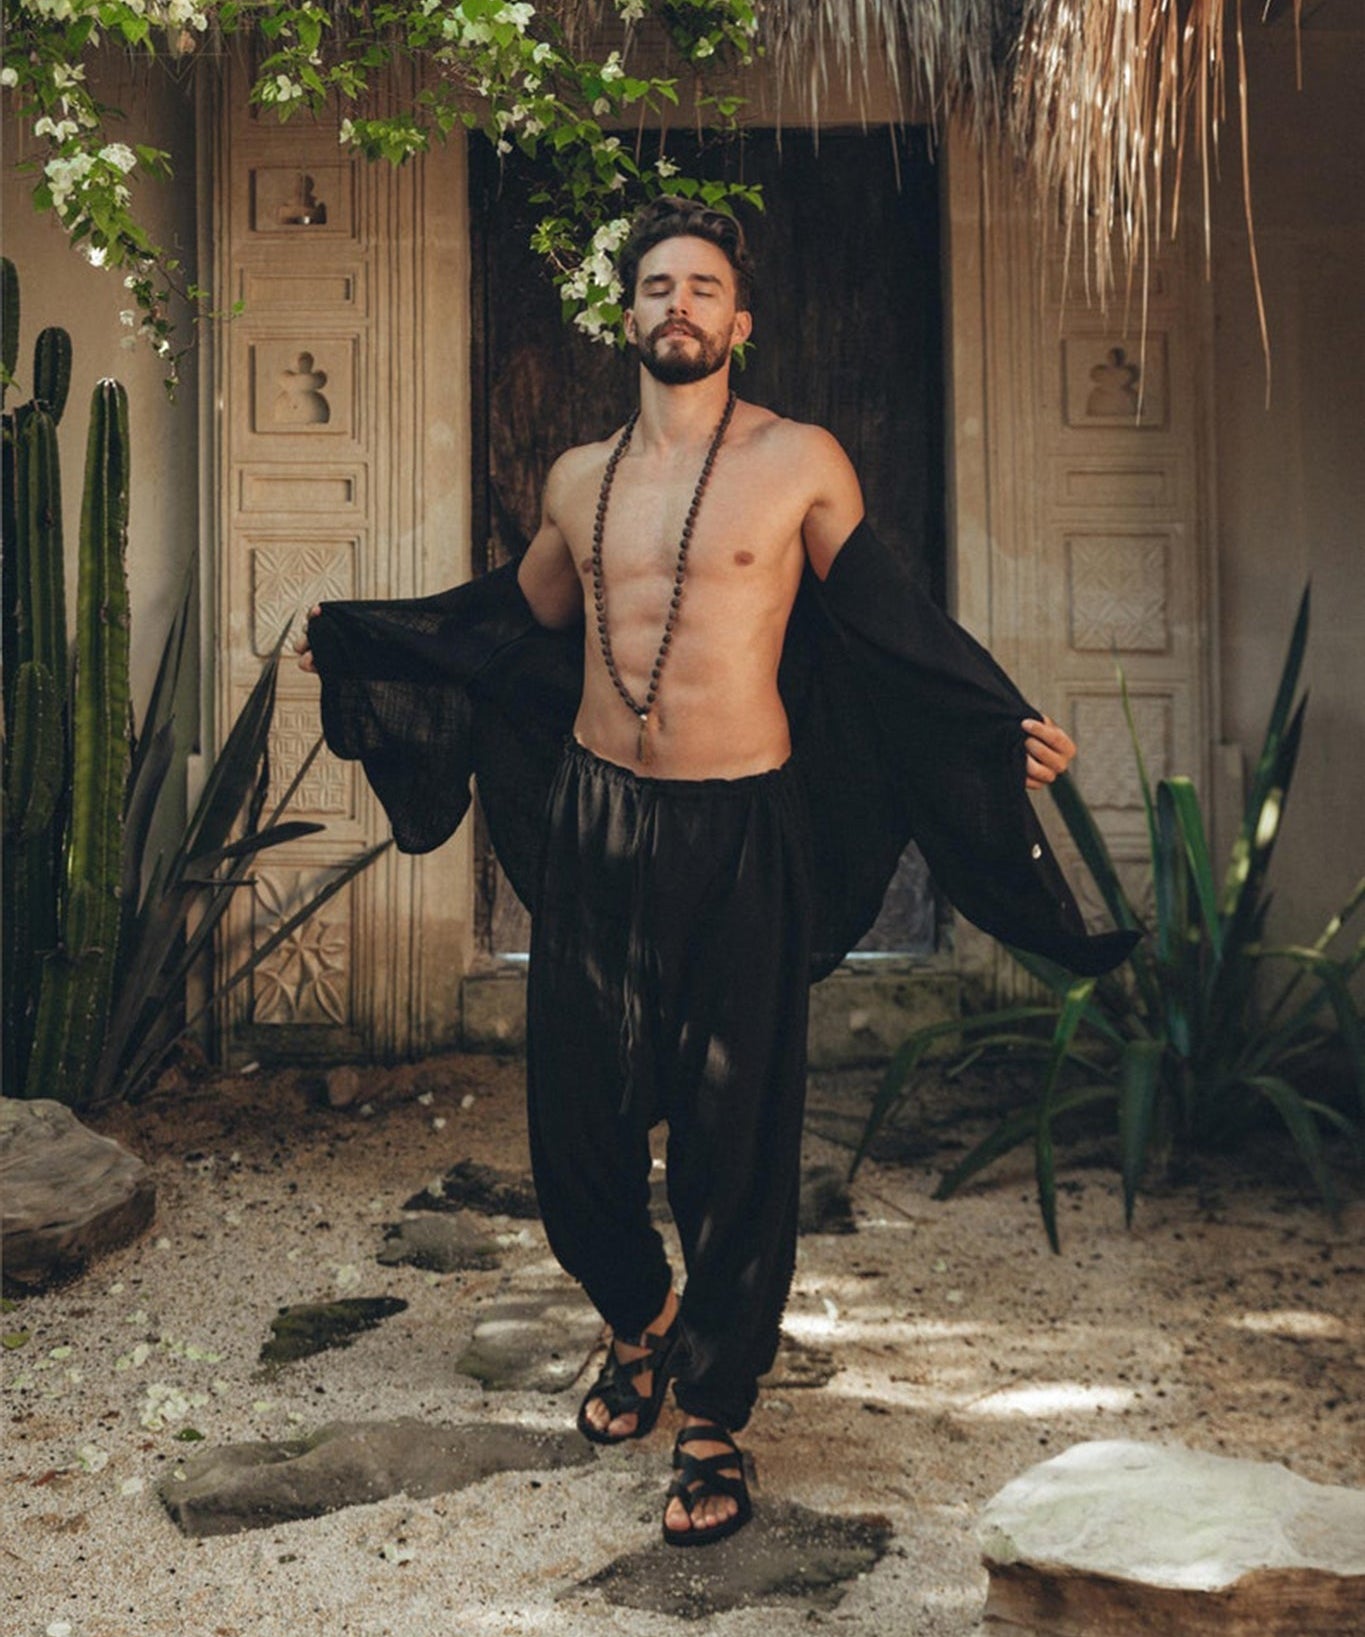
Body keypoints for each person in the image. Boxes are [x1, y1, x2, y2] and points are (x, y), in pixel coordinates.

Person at [296, 197, 1134, 1547]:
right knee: (574, 1134)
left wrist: (992, 724)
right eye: (653, 285)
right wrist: (367, 641)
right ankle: (644, 1320)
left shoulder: (801, 461)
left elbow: (888, 624)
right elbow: (509, 623)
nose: (676, 304)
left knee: (732, 1141)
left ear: (737, 322)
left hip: (740, 828)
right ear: (625, 317)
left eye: (701, 287)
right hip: (594, 824)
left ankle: (715, 1418)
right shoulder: (577, 477)